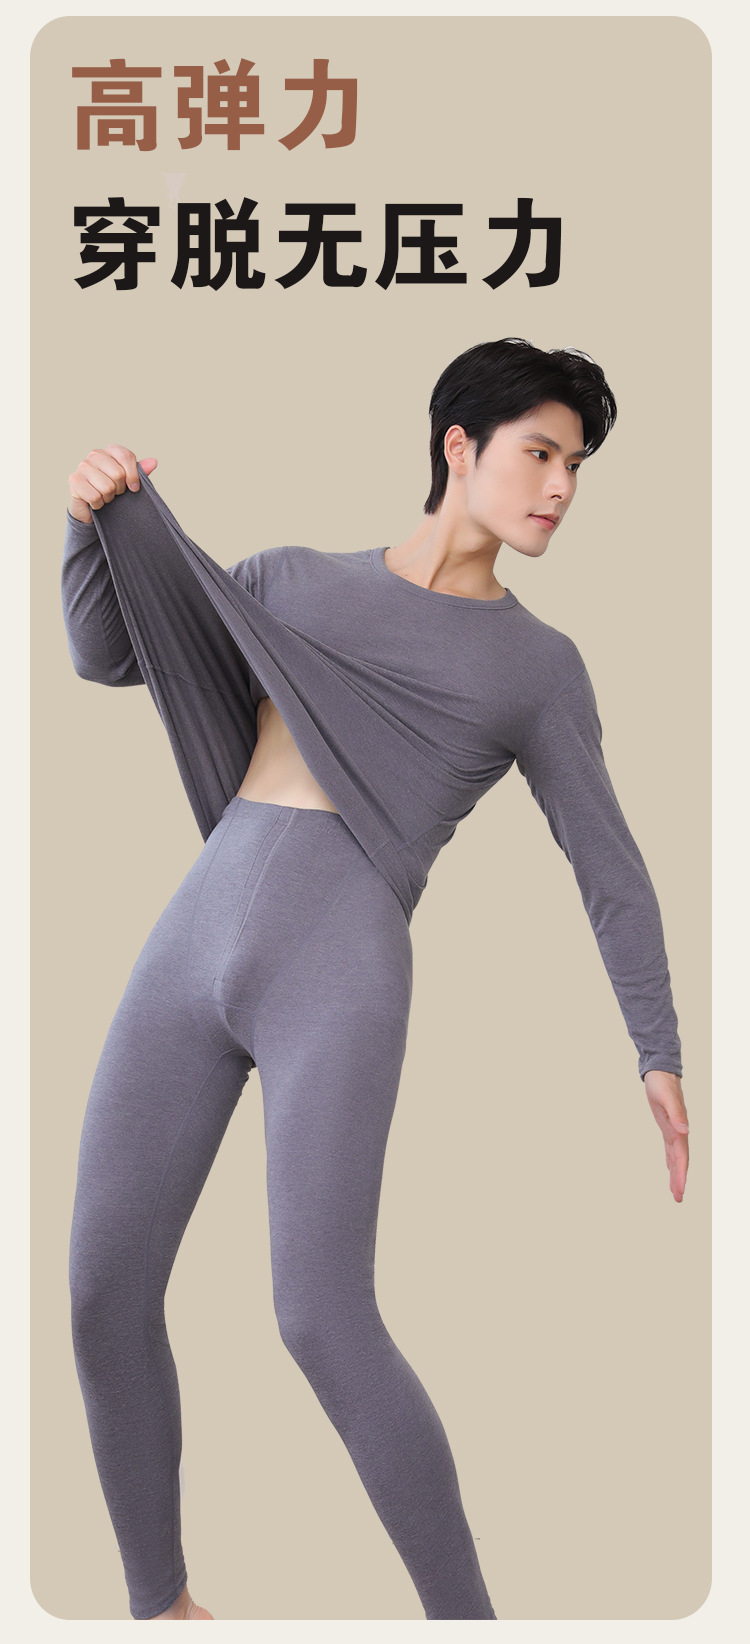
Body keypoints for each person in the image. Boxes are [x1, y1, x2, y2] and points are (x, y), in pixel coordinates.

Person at [62, 337, 689, 1623]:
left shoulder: (537, 667)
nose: (562, 487)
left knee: (319, 1313)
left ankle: (468, 1624)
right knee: (100, 1290)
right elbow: (110, 653)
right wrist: (88, 525)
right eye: (540, 453)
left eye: (577, 465)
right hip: (190, 938)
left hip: (339, 961)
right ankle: (161, 1608)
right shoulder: (290, 579)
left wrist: (657, 1045)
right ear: (459, 447)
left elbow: (611, 869)